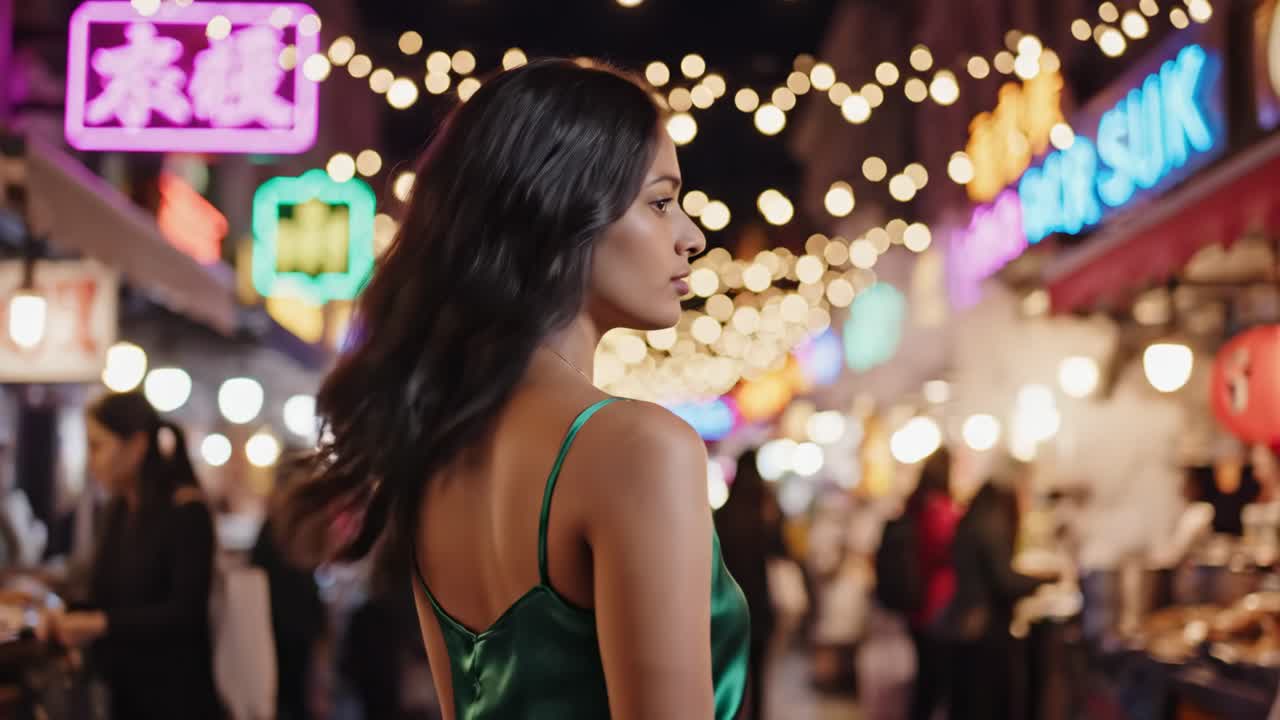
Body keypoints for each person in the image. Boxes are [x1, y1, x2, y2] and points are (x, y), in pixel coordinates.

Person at [281, 58, 749, 719]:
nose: (692, 237)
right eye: (661, 201)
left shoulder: (437, 450)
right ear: (560, 209)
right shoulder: (641, 448)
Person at [49, 391, 223, 719]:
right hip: (126, 694)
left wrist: (100, 623)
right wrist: (66, 614)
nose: (91, 459)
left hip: (175, 699)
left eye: (98, 445)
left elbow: (185, 614)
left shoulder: (186, 509)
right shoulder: (118, 507)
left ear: (137, 445)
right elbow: (110, 597)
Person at [944, 461, 1047, 720]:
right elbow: (1004, 581)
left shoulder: (972, 519)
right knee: (986, 702)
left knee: (968, 701)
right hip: (985, 629)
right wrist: (1044, 579)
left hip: (965, 623)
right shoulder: (991, 524)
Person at [715, 450, 785, 720]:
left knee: (732, 673)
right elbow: (781, 551)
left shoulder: (723, 514)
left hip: (729, 604)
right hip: (761, 603)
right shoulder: (765, 512)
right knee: (760, 670)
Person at [905, 448, 961, 720]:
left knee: (928, 679)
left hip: (922, 601)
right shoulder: (938, 508)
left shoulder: (918, 504)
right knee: (933, 682)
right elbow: (947, 547)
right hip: (936, 602)